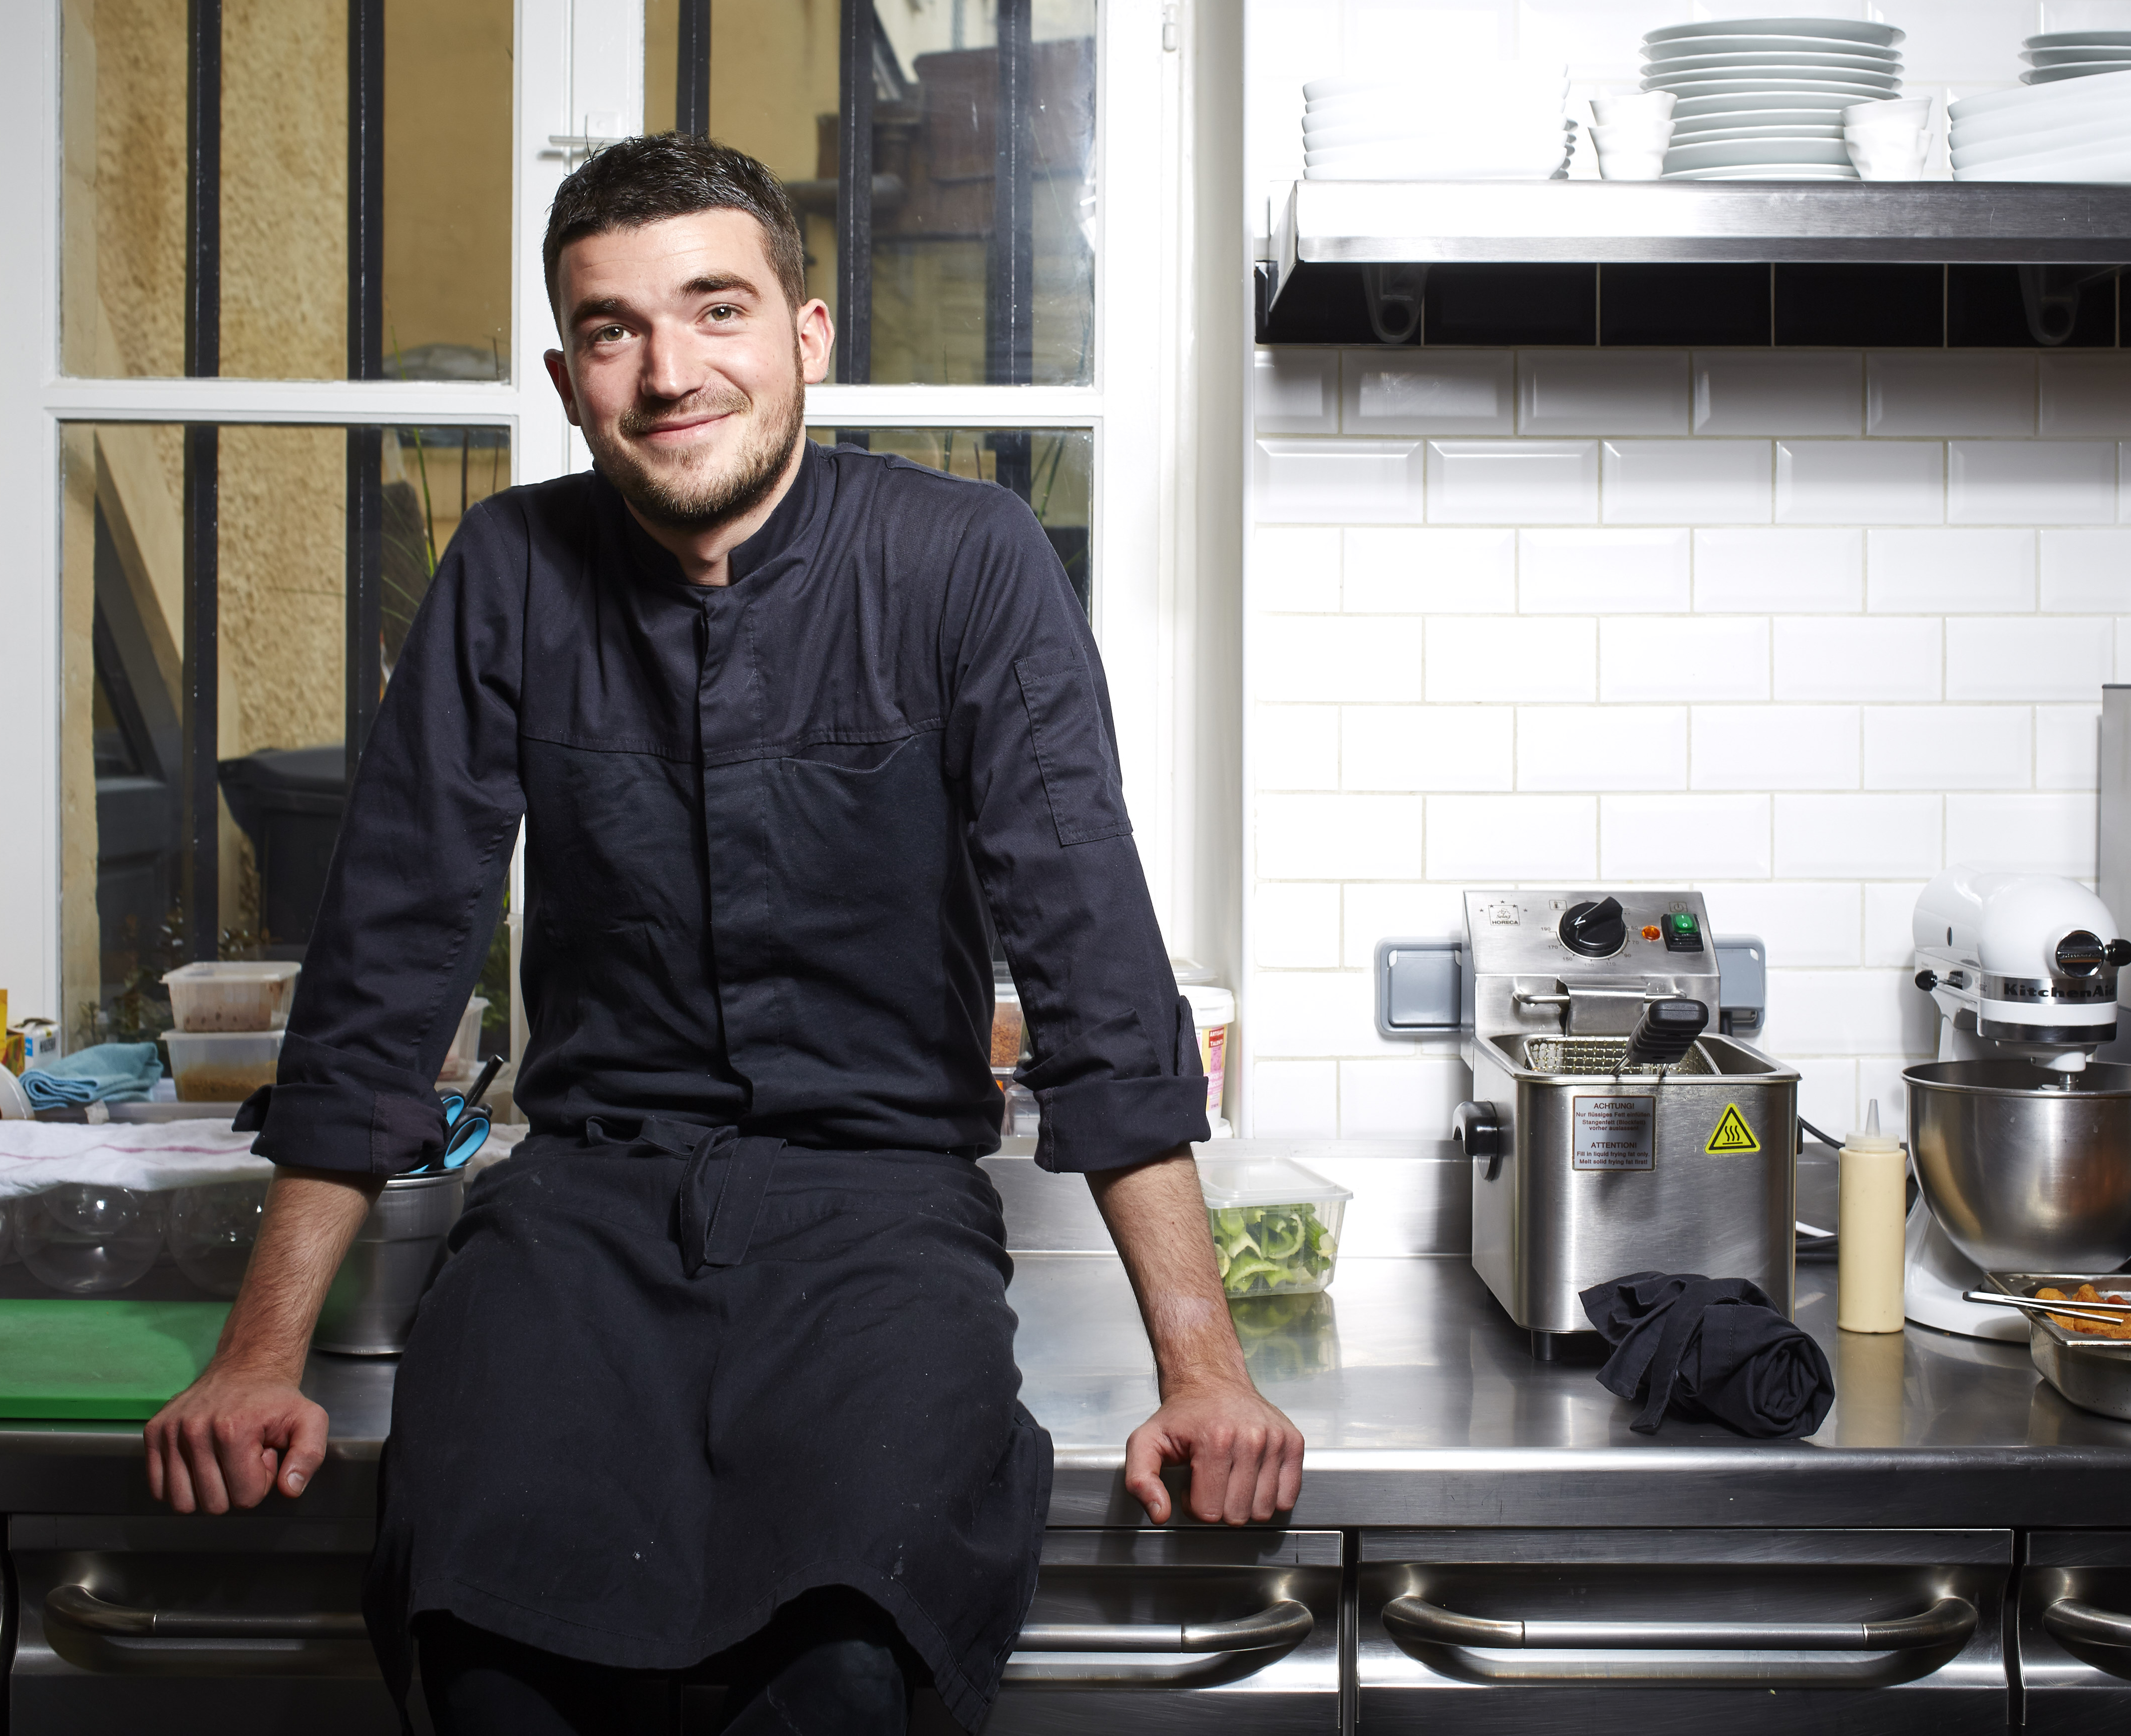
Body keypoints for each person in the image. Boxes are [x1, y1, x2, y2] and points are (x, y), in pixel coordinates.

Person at [142, 132, 1303, 1735]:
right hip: (577, 1218)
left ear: (806, 336)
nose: (671, 371)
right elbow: (386, 976)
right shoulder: (507, 578)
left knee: (844, 1656)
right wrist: (258, 1356)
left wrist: (1207, 1371)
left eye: (716, 311)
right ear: (568, 376)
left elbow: (1098, 972)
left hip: (883, 1218)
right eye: (615, 330)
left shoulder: (967, 564)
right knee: (484, 1650)